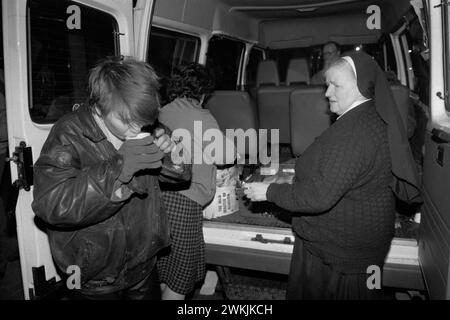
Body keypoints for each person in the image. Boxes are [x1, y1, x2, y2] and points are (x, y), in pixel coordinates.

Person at [244, 51, 420, 300]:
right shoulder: (367, 117)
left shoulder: (353, 133)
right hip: (358, 245)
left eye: (336, 85)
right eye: (327, 85)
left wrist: (269, 191)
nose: (327, 93)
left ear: (361, 87)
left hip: (343, 254)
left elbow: (318, 197)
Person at [31, 57, 191, 300]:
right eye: (126, 121)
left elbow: (183, 175)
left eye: (143, 121)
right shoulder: (69, 133)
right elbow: (51, 204)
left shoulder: (142, 122)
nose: (137, 129)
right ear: (98, 107)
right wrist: (119, 167)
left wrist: (171, 155)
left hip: (143, 264)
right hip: (93, 274)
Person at [157, 63, 235, 300]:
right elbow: (225, 155)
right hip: (185, 200)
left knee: (166, 269)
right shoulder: (201, 115)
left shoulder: (162, 111)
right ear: (202, 91)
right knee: (180, 279)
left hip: (159, 197)